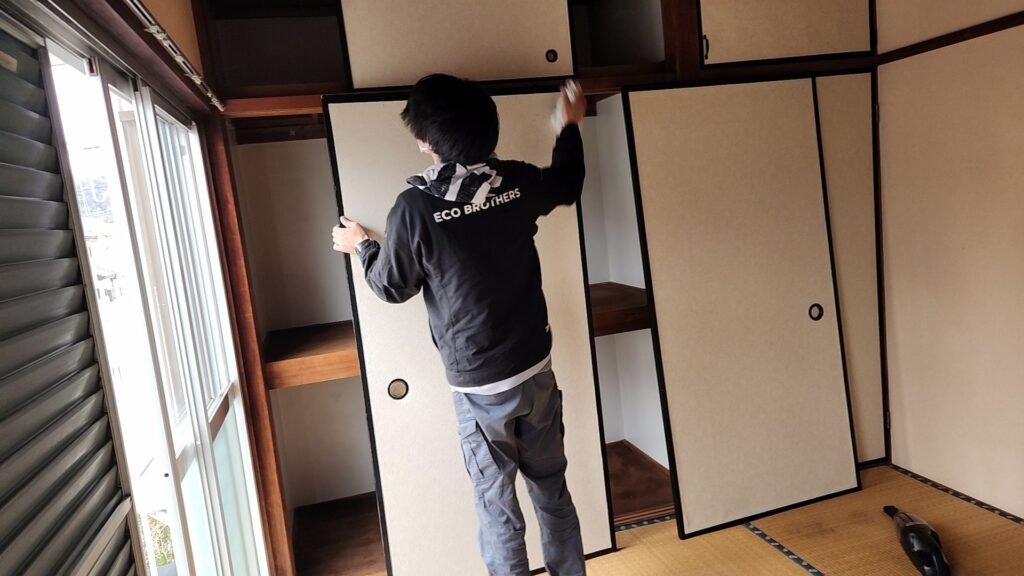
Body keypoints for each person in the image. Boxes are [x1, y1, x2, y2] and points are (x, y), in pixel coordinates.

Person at [331, 73, 588, 576]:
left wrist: (362, 246)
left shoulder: (416, 207)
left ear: (427, 142)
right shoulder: (514, 181)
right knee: (551, 489)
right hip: (535, 367)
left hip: (479, 385)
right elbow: (567, 183)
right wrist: (568, 125)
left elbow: (391, 287)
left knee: (497, 508)